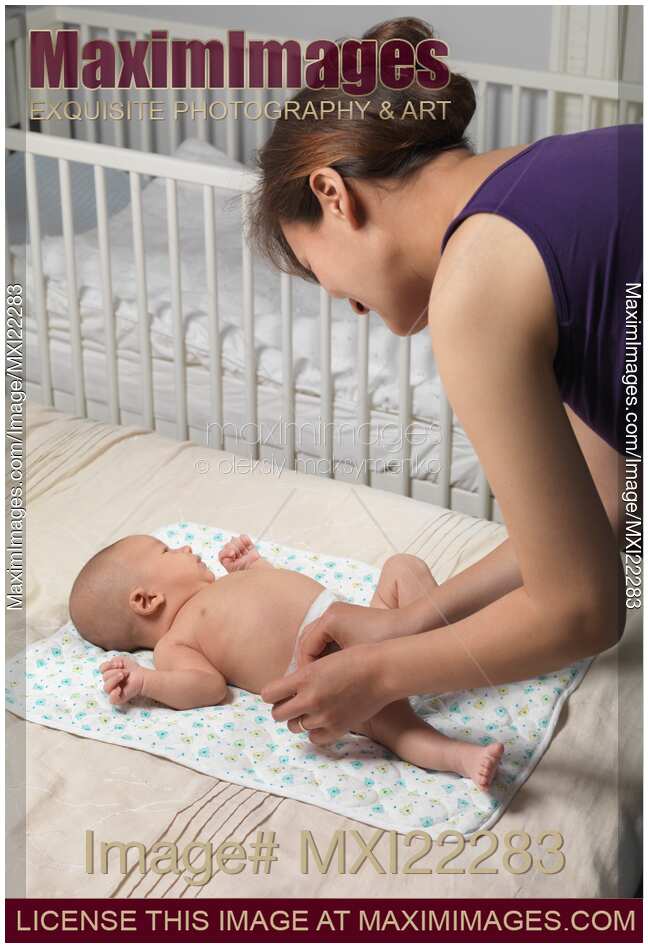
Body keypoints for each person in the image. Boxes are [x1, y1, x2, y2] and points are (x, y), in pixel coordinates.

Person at [249, 17, 641, 745]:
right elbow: (603, 506)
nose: (344, 300)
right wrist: (410, 622)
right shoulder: (561, 173)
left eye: (314, 268)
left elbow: (583, 611)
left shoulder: (478, 278)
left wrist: (378, 676)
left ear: (333, 193)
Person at [68, 534, 505, 789]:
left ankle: (464, 633)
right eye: (167, 552)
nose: (185, 547)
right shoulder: (175, 642)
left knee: (402, 567)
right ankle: (461, 757)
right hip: (336, 682)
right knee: (397, 727)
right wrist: (147, 682)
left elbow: (281, 590)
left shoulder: (223, 586)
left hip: (370, 627)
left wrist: (256, 565)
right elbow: (205, 687)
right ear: (147, 600)